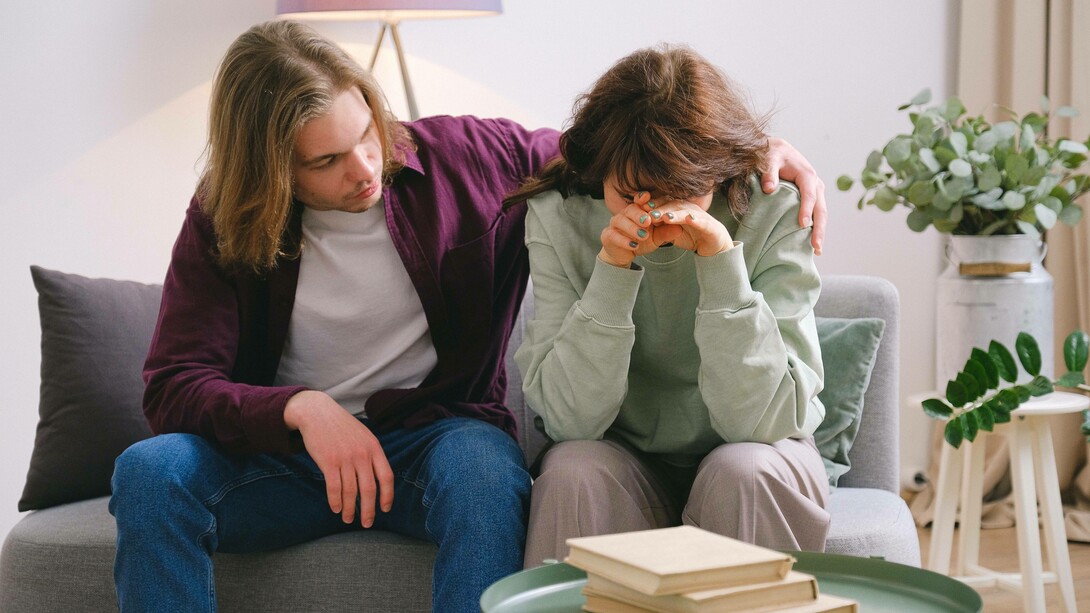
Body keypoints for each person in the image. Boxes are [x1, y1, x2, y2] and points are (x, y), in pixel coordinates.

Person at [107, 20, 827, 613]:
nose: (364, 168)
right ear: (270, 169)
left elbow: (620, 155)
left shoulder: (468, 156)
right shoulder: (223, 219)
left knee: (486, 472)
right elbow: (172, 384)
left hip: (434, 441)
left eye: (368, 134)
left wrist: (750, 151)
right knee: (150, 471)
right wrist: (300, 410)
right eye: (326, 161)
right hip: (291, 461)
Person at [508, 44, 831, 569]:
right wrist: (611, 271)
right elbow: (570, 419)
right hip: (625, 460)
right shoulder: (557, 214)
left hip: (760, 451)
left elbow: (768, 421)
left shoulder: (776, 207)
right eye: (631, 191)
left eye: (683, 190)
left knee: (744, 470)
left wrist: (722, 263)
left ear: (718, 170)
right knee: (572, 470)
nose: (654, 211)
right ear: (601, 169)